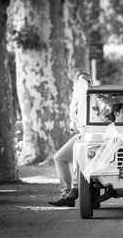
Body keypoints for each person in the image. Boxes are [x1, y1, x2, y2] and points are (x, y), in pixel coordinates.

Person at [48, 72, 91, 207]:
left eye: (88, 81)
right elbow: (75, 120)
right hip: (81, 134)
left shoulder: (95, 97)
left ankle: (74, 190)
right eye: (82, 82)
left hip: (93, 136)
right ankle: (67, 195)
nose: (86, 84)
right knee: (59, 157)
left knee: (78, 150)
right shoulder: (76, 99)